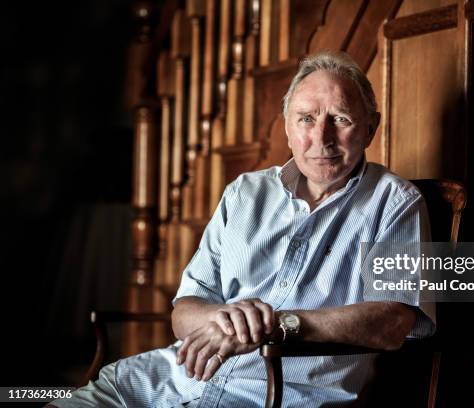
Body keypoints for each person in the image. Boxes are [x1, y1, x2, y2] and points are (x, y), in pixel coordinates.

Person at [50, 50, 434, 407]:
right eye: (306, 119)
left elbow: (392, 321)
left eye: (341, 119)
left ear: (370, 128)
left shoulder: (395, 202)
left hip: (276, 397)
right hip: (161, 383)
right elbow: (184, 311)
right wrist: (228, 322)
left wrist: (276, 325)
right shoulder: (244, 193)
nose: (321, 138)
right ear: (287, 127)